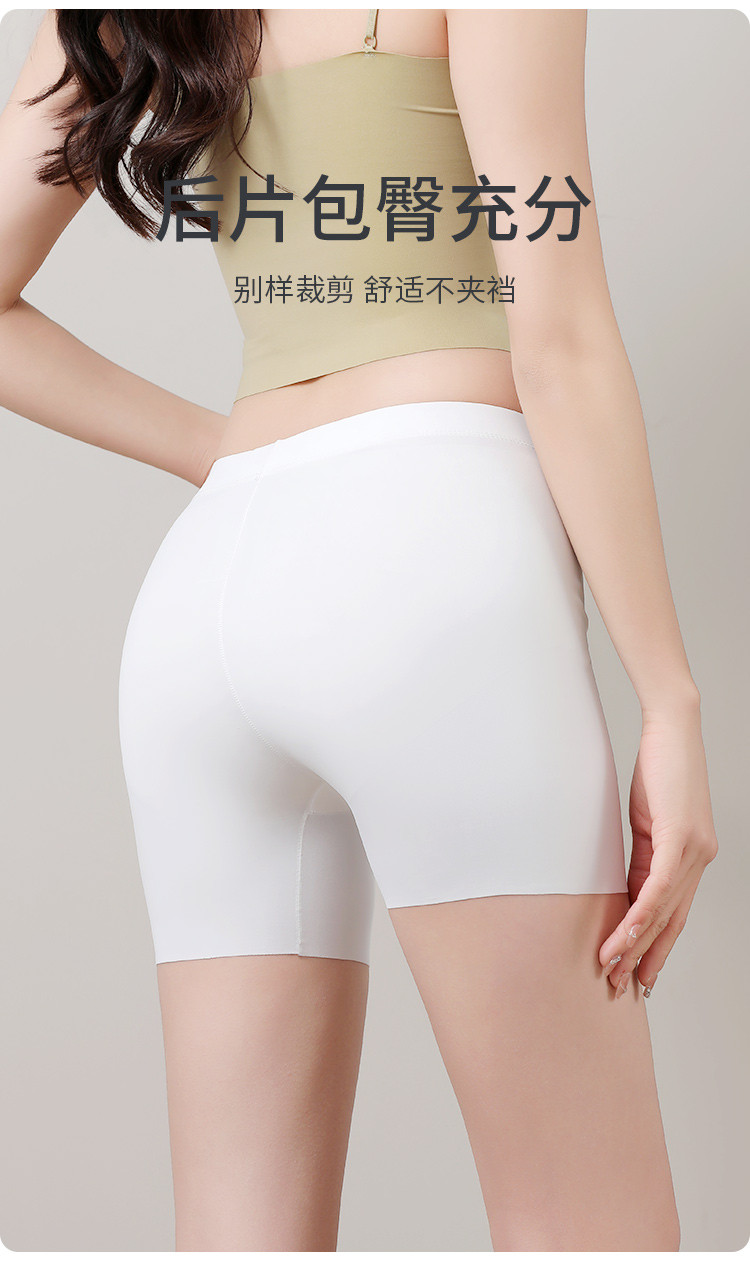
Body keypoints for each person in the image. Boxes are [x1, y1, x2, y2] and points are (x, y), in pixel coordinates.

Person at [0, 8, 718, 1252]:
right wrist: (670, 698)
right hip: (434, 553)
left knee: (240, 1235)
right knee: (589, 1230)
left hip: (208, 596)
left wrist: (227, 458)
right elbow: (556, 336)